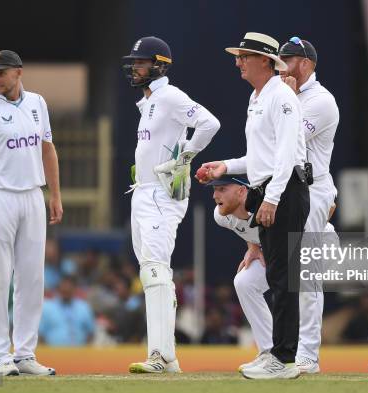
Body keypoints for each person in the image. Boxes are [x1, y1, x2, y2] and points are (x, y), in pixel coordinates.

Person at [199, 32, 310, 379]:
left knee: (283, 277)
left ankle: (284, 358)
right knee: (276, 274)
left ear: (265, 60)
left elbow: (287, 154)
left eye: (244, 56)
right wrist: (226, 167)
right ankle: (274, 352)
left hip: (285, 189)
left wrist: (273, 198)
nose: (238, 62)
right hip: (269, 188)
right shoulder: (258, 96)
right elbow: (260, 156)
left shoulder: (282, 97)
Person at [122, 36, 221, 373]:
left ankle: (162, 357)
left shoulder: (170, 96)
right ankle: (166, 356)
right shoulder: (150, 101)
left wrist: (187, 156)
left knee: (154, 269)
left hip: (163, 194)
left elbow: (210, 123)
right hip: (143, 191)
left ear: (159, 65)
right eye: (134, 62)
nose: (135, 68)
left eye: (141, 62)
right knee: (153, 272)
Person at [0, 50, 62, 376]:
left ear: (18, 72)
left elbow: (47, 149)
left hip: (32, 196)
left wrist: (55, 194)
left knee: (32, 278)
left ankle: (24, 354)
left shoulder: (38, 103)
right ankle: (0, 357)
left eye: (1, 73)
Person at [208, 175, 335, 374]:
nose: (215, 196)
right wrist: (252, 246)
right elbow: (247, 230)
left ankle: (308, 356)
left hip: (315, 241)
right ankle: (270, 351)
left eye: (222, 189)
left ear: (243, 190)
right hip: (277, 250)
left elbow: (327, 209)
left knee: (303, 283)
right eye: (214, 190)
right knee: (244, 282)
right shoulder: (221, 216)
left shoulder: (269, 202)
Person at [276, 36, 339, 373]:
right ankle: (274, 350)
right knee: (278, 276)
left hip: (313, 191)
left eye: (286, 60)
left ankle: (308, 356)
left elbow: (286, 139)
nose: (279, 66)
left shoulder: (321, 101)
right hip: (291, 191)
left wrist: (282, 96)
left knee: (305, 276)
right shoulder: (285, 95)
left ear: (305, 64)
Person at [39, 276, 95, 346]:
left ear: (74, 289)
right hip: (53, 354)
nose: (66, 291)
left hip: (79, 354)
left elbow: (90, 333)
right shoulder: (47, 307)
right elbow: (40, 334)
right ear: (58, 289)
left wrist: (86, 353)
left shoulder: (83, 307)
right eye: (64, 290)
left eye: (69, 289)